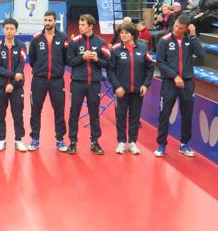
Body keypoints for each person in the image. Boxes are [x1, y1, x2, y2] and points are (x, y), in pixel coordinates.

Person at [155, 15, 204, 157]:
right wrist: (174, 76)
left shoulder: (190, 40)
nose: (177, 29)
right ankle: (161, 145)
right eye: (176, 25)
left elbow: (200, 54)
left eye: (181, 28)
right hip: (169, 83)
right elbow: (160, 62)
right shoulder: (164, 40)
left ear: (187, 28)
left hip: (187, 83)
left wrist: (194, 35)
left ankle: (184, 144)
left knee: (187, 115)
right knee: (165, 114)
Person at [107, 22, 155, 155]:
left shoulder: (143, 48)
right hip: (121, 91)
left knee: (135, 117)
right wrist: (117, 86)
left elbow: (150, 68)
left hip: (137, 91)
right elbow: (110, 70)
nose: (123, 35)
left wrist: (145, 84)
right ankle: (122, 142)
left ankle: (132, 142)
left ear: (133, 34)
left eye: (126, 33)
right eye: (121, 33)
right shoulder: (115, 49)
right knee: (120, 116)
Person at [66, 14, 110, 155]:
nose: (79, 27)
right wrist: (82, 57)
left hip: (94, 84)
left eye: (83, 25)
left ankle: (94, 142)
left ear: (90, 26)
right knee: (74, 113)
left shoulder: (101, 42)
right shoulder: (74, 42)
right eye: (79, 24)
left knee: (94, 114)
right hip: (77, 83)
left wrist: (97, 59)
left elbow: (108, 63)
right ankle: (73, 142)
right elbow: (69, 62)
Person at [28, 10, 69, 152]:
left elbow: (65, 58)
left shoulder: (63, 38)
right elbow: (32, 59)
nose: (47, 23)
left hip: (57, 81)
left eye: (50, 20)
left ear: (55, 21)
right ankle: (35, 139)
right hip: (39, 80)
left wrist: (57, 69)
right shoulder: (36, 38)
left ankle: (60, 140)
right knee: (35, 110)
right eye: (45, 20)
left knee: (59, 110)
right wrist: (40, 70)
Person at [0, 18, 27, 152]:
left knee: (18, 114)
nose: (9, 31)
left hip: (17, 87)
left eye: (12, 29)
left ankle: (18, 140)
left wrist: (12, 84)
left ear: (16, 30)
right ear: (3, 30)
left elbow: (21, 67)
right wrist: (13, 76)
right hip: (0, 87)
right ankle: (1, 140)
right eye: (7, 28)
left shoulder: (22, 46)